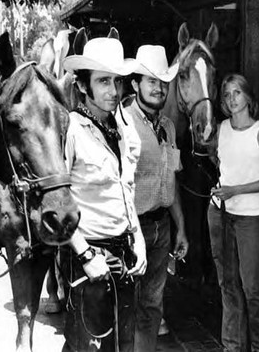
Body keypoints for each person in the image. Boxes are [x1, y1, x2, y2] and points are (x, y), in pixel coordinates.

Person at [60, 37, 147, 352]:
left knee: (122, 345)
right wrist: (84, 255)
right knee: (88, 345)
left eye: (117, 81)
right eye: (103, 81)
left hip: (123, 255)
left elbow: (126, 190)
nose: (114, 90)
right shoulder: (71, 129)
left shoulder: (121, 130)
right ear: (83, 86)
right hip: (89, 257)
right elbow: (59, 204)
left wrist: (138, 239)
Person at [208, 74, 259, 352]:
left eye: (237, 93)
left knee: (252, 288)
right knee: (227, 285)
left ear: (248, 96)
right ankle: (233, 346)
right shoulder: (220, 129)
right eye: (226, 95)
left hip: (250, 217)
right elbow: (215, 158)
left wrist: (235, 189)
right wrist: (224, 187)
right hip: (219, 213)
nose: (231, 99)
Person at [125, 45, 189, 352]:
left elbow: (171, 181)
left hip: (161, 229)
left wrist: (181, 229)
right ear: (135, 84)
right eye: (150, 80)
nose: (158, 87)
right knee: (126, 307)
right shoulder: (123, 125)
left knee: (152, 306)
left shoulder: (168, 127)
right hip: (130, 229)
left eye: (163, 81)